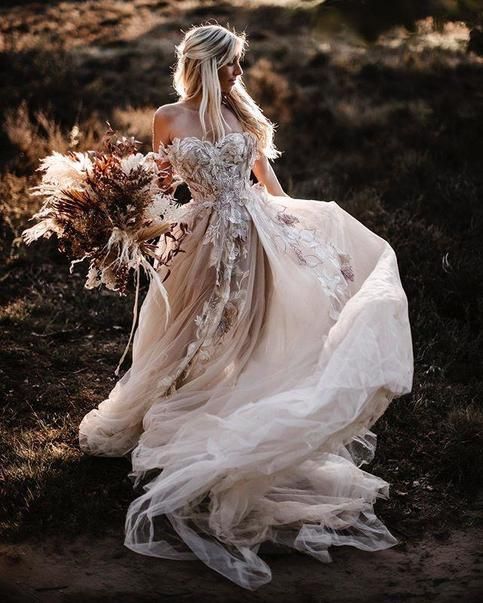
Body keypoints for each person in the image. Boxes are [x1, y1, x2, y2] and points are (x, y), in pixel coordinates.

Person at [79, 23, 414, 590]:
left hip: (256, 237)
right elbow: (159, 188)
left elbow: (272, 189)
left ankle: (234, 404)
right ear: (206, 65)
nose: (239, 73)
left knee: (249, 330)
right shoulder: (168, 117)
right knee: (191, 331)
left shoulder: (242, 117)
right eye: (232, 64)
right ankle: (174, 403)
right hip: (200, 240)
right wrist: (132, 227)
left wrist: (312, 231)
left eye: (240, 64)